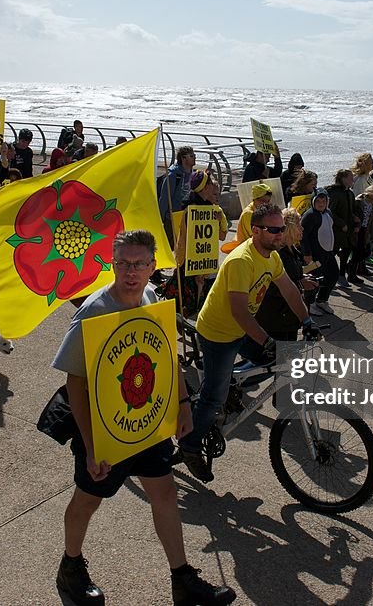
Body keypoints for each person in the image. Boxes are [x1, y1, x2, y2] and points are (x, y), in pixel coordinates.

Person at [51, 230, 236, 606]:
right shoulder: (95, 311)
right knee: (88, 500)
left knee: (165, 493)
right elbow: (75, 383)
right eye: (122, 263)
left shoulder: (152, 297)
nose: (130, 272)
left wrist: (183, 404)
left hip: (145, 422)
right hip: (104, 428)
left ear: (153, 266)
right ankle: (70, 567)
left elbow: (168, 357)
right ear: (112, 264)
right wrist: (90, 447)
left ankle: (182, 580)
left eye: (139, 264)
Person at [176, 203, 319, 482]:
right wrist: (266, 340)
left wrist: (307, 321)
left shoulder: (272, 256)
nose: (281, 234)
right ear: (256, 231)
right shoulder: (242, 260)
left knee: (273, 361)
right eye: (274, 229)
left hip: (240, 329)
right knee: (212, 398)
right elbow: (239, 312)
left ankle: (230, 384)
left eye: (282, 228)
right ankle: (189, 447)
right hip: (218, 334)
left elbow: (289, 290)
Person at [160, 170, 228, 317]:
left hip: (204, 260)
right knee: (187, 299)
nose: (213, 189)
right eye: (209, 183)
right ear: (205, 188)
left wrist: (217, 221)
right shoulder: (190, 211)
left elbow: (222, 236)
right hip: (189, 259)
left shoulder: (214, 210)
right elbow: (189, 239)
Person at [254, 208, 319, 340]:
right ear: (289, 228)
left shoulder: (292, 249)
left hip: (289, 316)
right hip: (276, 319)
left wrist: (303, 279)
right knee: (280, 358)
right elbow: (267, 285)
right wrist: (300, 284)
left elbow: (292, 276)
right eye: (298, 225)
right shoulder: (276, 253)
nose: (302, 229)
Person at [300, 188, 339, 315]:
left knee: (333, 275)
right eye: (318, 201)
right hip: (315, 254)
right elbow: (303, 236)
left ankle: (322, 300)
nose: (321, 204)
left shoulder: (328, 212)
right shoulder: (310, 215)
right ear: (313, 201)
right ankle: (309, 304)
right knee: (314, 280)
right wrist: (307, 254)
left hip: (328, 252)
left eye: (324, 201)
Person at [326, 169, 359, 285]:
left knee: (347, 251)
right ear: (343, 179)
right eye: (350, 178)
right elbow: (330, 211)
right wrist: (341, 223)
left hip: (348, 229)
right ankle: (325, 274)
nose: (352, 180)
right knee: (332, 253)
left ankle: (341, 274)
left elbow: (351, 210)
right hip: (337, 230)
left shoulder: (350, 193)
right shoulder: (334, 193)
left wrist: (355, 219)